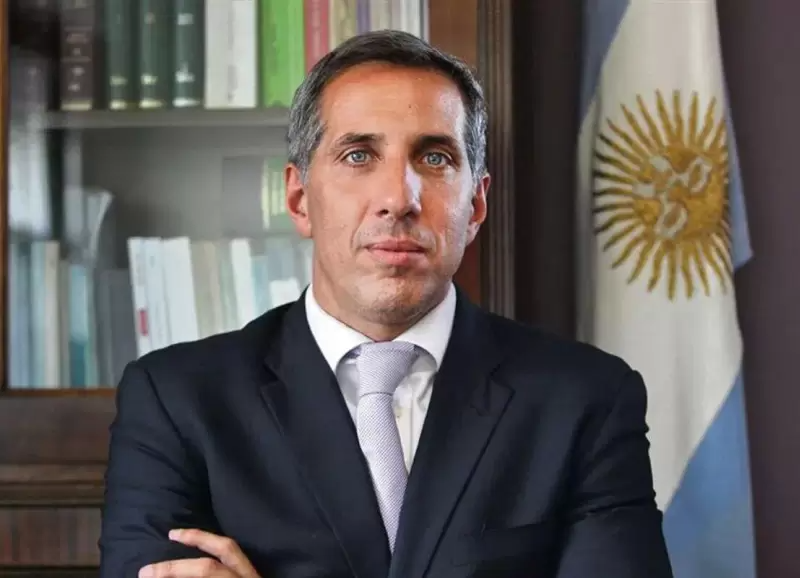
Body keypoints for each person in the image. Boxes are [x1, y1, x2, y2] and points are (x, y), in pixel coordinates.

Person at [98, 29, 674, 578]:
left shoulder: (586, 400)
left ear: (475, 205)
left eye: (434, 158)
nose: (399, 198)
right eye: (358, 155)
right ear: (299, 199)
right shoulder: (177, 400)